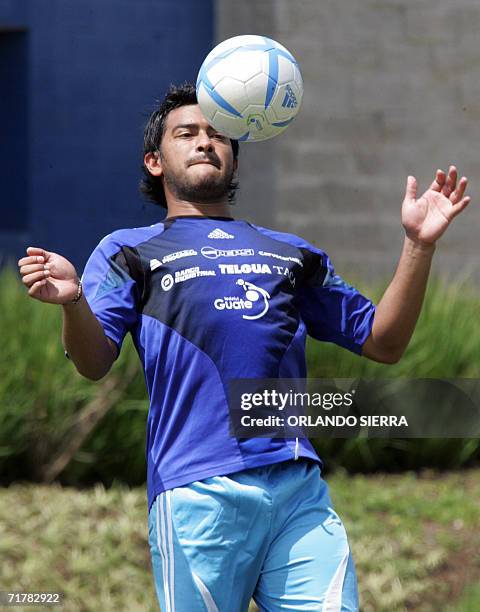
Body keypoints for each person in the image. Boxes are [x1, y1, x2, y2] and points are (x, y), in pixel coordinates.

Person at [17, 83, 471, 611]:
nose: (205, 142)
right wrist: (73, 302)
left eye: (219, 135)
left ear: (234, 157)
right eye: (186, 133)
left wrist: (419, 244)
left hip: (299, 492)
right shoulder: (127, 251)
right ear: (155, 161)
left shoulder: (292, 252)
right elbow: (94, 363)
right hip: (197, 493)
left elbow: (384, 342)